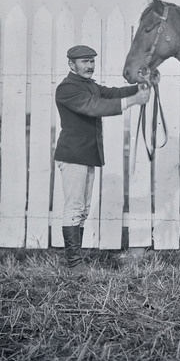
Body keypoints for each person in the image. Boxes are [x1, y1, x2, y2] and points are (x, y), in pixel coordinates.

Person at [54, 44, 151, 272]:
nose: (89, 66)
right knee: (75, 208)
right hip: (73, 156)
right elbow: (93, 107)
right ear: (71, 64)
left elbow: (112, 93)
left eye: (91, 61)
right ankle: (74, 264)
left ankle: (75, 263)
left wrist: (140, 86)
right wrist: (134, 101)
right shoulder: (67, 88)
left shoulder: (88, 85)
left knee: (82, 209)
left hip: (86, 155)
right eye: (84, 61)